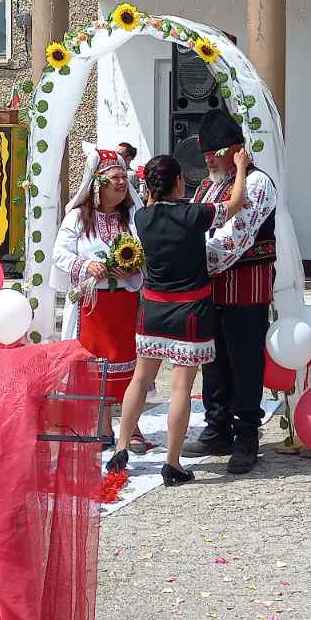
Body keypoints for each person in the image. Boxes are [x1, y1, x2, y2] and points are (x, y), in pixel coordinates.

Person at [109, 152, 248, 485]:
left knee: (140, 379)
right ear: (178, 182)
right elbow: (235, 204)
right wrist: (241, 168)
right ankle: (172, 463)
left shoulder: (142, 217)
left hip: (153, 309)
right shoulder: (194, 214)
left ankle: (121, 447)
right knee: (181, 389)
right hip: (189, 311)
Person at [181, 110, 280, 474]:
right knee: (213, 361)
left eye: (214, 153)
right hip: (210, 288)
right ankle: (217, 428)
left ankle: (246, 435)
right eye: (205, 153)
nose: (208, 159)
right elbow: (194, 227)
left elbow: (233, 239)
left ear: (236, 150)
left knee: (245, 362)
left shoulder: (257, 183)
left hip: (245, 289)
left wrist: (185, 262)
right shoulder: (207, 186)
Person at [52, 148, 144, 419]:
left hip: (125, 305)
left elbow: (145, 250)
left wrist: (133, 268)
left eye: (123, 177)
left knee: (128, 362)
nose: (122, 182)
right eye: (114, 178)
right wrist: (86, 266)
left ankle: (131, 424)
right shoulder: (77, 217)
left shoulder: (133, 217)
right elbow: (59, 253)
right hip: (90, 306)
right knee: (93, 363)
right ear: (97, 184)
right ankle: (100, 422)